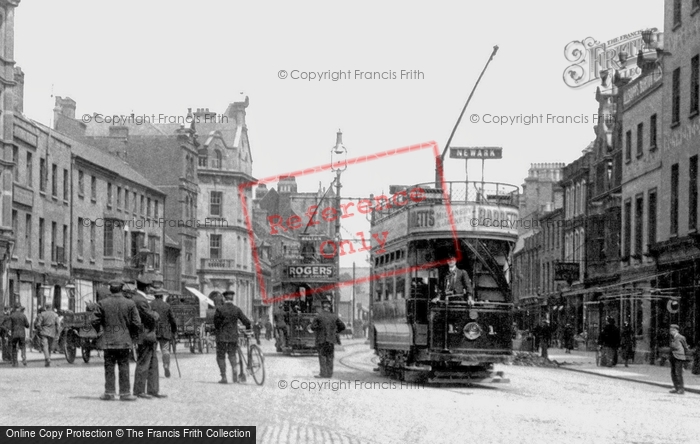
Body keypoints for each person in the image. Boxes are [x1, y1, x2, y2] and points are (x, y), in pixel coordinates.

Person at [92, 279, 141, 401]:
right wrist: (132, 335)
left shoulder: (102, 303)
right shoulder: (130, 304)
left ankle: (109, 392)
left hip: (108, 340)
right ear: (122, 289)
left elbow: (94, 320)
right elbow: (137, 323)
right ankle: (125, 393)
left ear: (110, 289)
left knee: (109, 367)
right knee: (124, 366)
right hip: (124, 340)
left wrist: (100, 330)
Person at [128, 281, 164, 399]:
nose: (151, 290)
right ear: (147, 288)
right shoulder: (140, 300)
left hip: (148, 335)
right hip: (145, 334)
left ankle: (153, 390)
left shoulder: (137, 298)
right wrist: (156, 314)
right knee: (144, 363)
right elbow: (151, 316)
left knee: (153, 363)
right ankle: (139, 390)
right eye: (150, 288)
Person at [213, 290, 252, 384]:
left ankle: (224, 377)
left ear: (224, 298)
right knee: (232, 355)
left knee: (220, 356)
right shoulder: (237, 309)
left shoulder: (219, 309)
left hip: (221, 336)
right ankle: (235, 370)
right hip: (233, 336)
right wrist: (248, 328)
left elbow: (216, 323)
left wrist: (218, 329)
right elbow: (246, 321)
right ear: (232, 298)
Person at [310, 298, 346, 378]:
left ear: (322, 307)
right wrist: (336, 331)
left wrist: (318, 328)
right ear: (329, 308)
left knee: (322, 356)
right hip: (331, 340)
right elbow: (343, 326)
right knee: (330, 356)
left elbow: (312, 327)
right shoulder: (334, 317)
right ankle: (329, 374)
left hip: (321, 340)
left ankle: (323, 374)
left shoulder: (319, 316)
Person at [150, 288, 177, 379]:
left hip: (153, 331)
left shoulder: (150, 305)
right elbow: (172, 319)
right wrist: (174, 330)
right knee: (165, 349)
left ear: (154, 296)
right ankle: (166, 365)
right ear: (162, 296)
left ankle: (153, 370)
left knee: (152, 351)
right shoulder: (167, 305)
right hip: (165, 331)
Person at [669, 324, 690, 395]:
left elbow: (685, 347)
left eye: (672, 330)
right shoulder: (672, 338)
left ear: (676, 330)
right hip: (673, 357)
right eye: (670, 330)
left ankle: (681, 389)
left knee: (678, 373)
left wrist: (686, 357)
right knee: (673, 373)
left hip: (679, 357)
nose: (671, 332)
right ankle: (676, 388)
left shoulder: (681, 337)